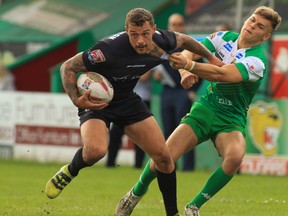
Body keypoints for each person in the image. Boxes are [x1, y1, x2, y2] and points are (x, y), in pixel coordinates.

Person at [44, 8, 221, 216]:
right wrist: (77, 99)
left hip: (127, 99)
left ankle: (172, 214)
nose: (140, 41)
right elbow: (67, 67)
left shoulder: (161, 41)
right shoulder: (106, 50)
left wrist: (211, 58)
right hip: (97, 101)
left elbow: (184, 40)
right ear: (126, 30)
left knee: (164, 157)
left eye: (145, 33)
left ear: (154, 30)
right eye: (134, 35)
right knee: (95, 151)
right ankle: (69, 171)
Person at [119, 6, 281, 216]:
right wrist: (185, 69)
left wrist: (189, 66)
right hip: (206, 108)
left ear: (266, 36)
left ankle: (193, 207)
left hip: (231, 118)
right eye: (252, 20)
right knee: (165, 155)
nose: (252, 26)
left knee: (235, 157)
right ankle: (135, 193)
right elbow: (190, 51)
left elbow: (221, 74)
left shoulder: (257, 61)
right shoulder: (223, 37)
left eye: (260, 26)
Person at [153, 13, 202, 171]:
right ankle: (169, 165)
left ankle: (188, 167)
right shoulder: (163, 46)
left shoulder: (189, 45)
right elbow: (156, 69)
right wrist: (157, 77)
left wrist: (193, 90)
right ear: (169, 26)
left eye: (180, 24)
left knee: (185, 130)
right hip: (167, 91)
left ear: (184, 26)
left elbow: (201, 68)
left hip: (184, 91)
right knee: (167, 129)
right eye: (174, 24)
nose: (177, 27)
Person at [106, 72, 151, 169]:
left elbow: (144, 77)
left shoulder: (146, 59)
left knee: (140, 134)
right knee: (116, 133)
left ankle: (138, 164)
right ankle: (110, 163)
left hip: (142, 100)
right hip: (123, 100)